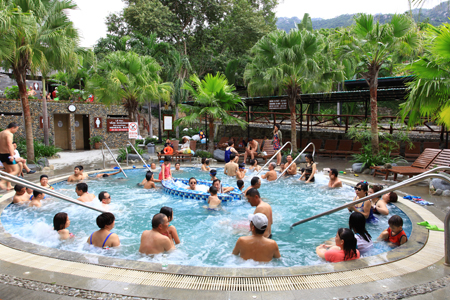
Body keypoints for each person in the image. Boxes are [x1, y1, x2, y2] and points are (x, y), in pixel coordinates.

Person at [0, 123, 21, 190]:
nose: (16, 131)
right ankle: (2, 182)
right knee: (16, 170)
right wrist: (12, 155)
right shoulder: (9, 134)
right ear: (12, 128)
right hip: (7, 155)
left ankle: (9, 185)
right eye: (16, 129)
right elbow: (9, 144)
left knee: (9, 170)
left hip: (1, 154)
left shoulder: (1, 133)